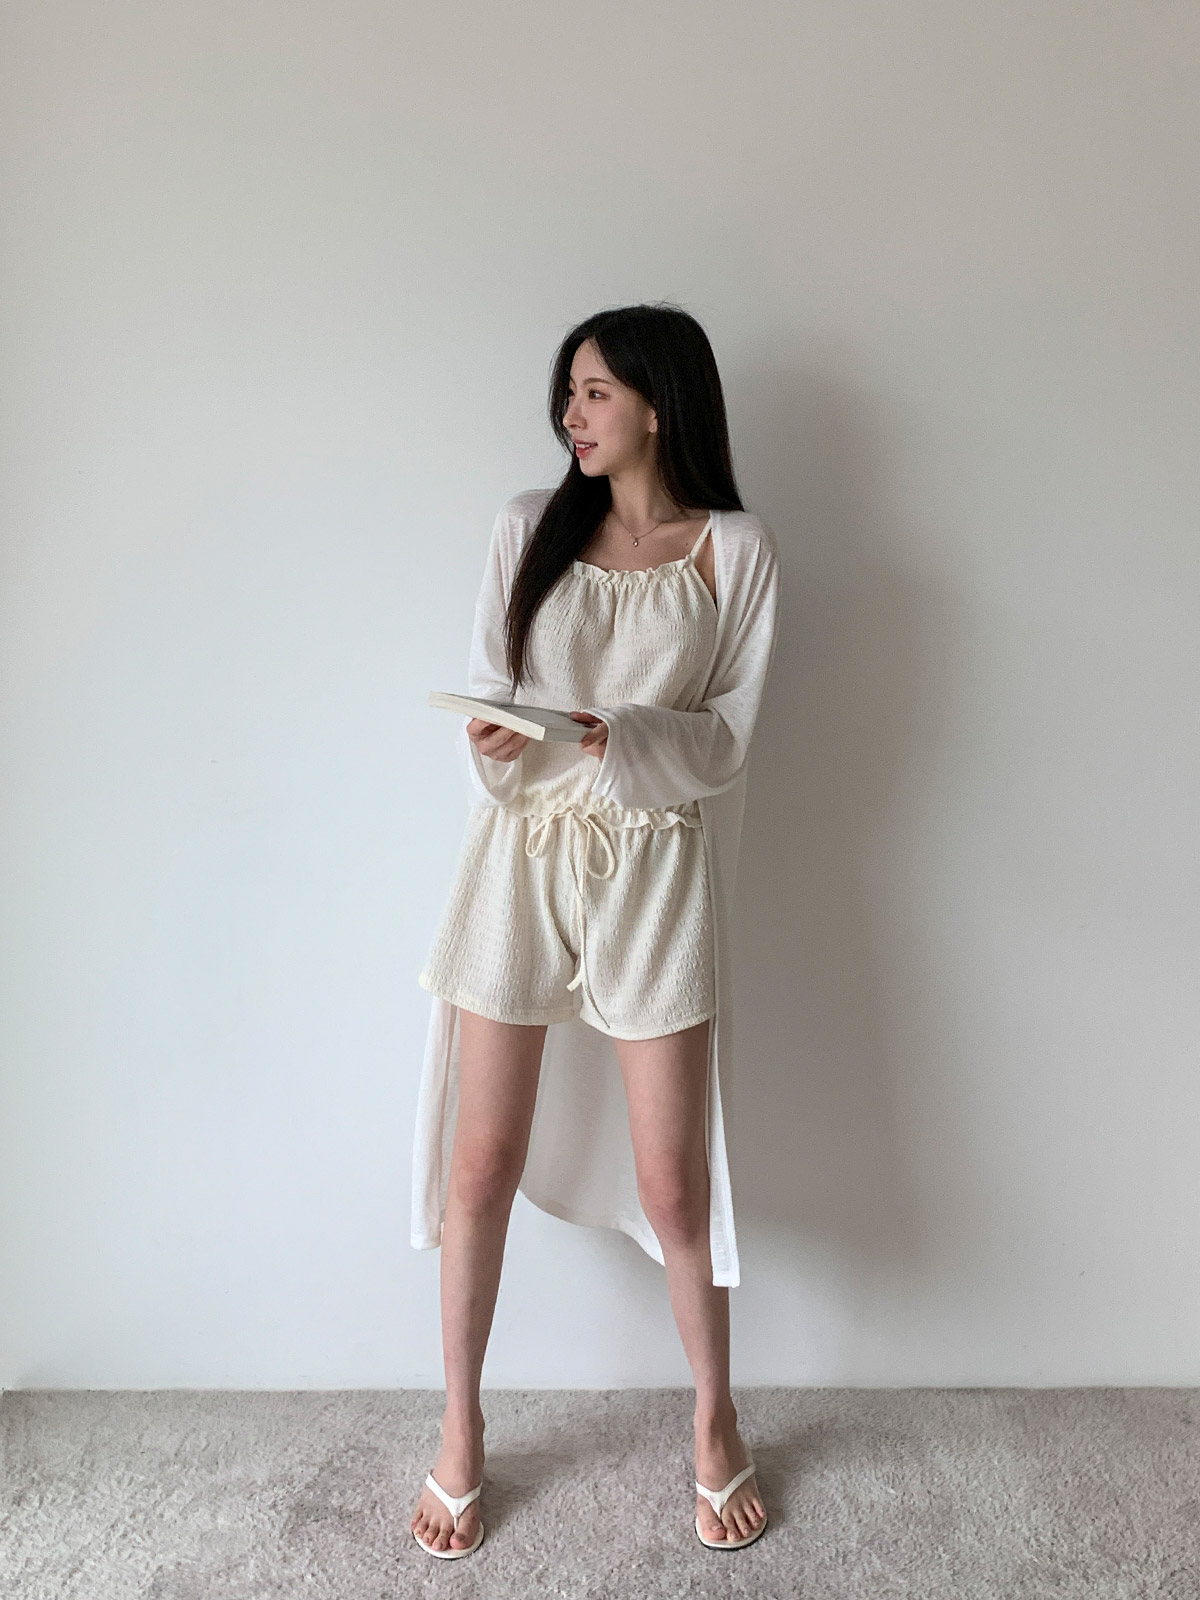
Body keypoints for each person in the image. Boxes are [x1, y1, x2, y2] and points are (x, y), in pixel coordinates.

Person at [409, 303, 781, 1558]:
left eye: (595, 392)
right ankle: (461, 1424)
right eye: (567, 394)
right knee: (479, 1161)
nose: (570, 415)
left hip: (658, 867)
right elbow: (490, 696)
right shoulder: (528, 527)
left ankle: (715, 1419)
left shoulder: (734, 549)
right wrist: (496, 741)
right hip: (522, 861)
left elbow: (727, 736)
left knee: (674, 1181)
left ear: (660, 404)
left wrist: (625, 736)